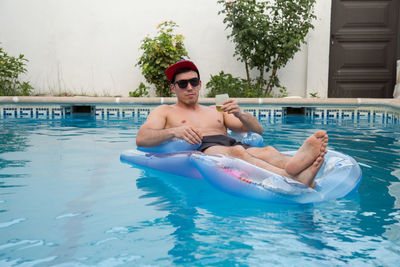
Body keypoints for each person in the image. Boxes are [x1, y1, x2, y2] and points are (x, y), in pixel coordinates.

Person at [136, 60, 328, 188]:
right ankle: (293, 178)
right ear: (173, 88)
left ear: (200, 84)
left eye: (193, 82)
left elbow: (257, 130)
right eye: (182, 84)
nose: (189, 87)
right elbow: (142, 138)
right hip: (202, 148)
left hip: (229, 143)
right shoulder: (165, 111)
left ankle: (297, 167)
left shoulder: (217, 107)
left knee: (266, 150)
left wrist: (240, 114)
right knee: (238, 153)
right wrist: (175, 131)